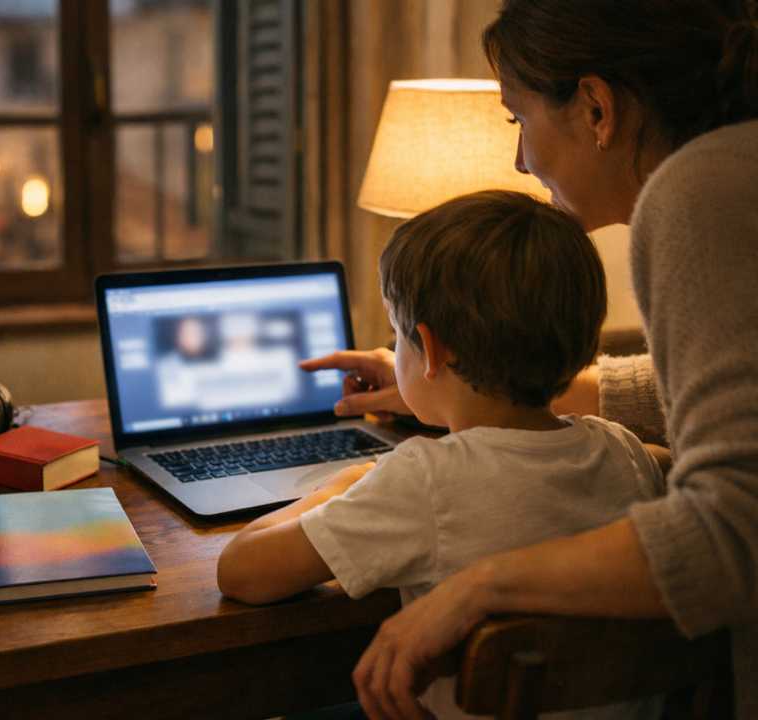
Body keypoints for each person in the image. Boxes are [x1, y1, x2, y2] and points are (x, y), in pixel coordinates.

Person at [298, 1, 758, 717]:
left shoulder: (699, 192)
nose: (520, 160)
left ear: (597, 109)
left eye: (517, 119)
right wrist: (468, 374)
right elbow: (692, 399)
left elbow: (735, 531)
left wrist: (479, 586)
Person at [218, 190, 668, 719]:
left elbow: (242, 572)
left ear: (431, 350)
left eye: (396, 333)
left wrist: (343, 485)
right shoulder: (625, 452)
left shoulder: (426, 479)